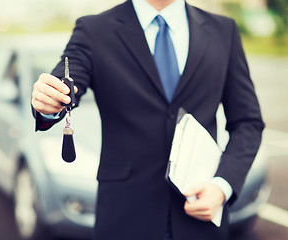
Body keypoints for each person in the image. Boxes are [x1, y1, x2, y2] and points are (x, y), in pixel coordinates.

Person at [31, 0, 264, 239]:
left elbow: (248, 122)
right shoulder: (94, 30)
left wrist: (222, 185)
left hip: (201, 213)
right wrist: (51, 98)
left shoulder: (223, 30)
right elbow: (66, 80)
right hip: (124, 216)